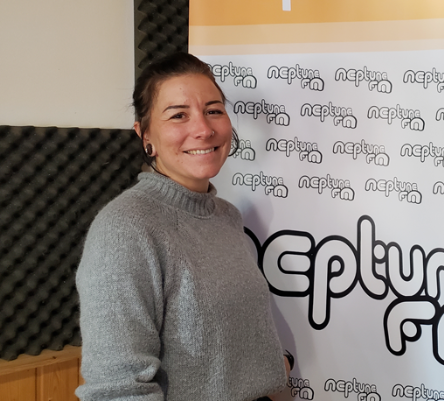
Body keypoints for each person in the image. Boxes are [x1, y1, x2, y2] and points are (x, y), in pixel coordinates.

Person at [76, 52, 290, 401]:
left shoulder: (226, 215)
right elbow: (118, 391)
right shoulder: (124, 229)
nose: (204, 129)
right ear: (146, 135)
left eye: (214, 111)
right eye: (179, 115)